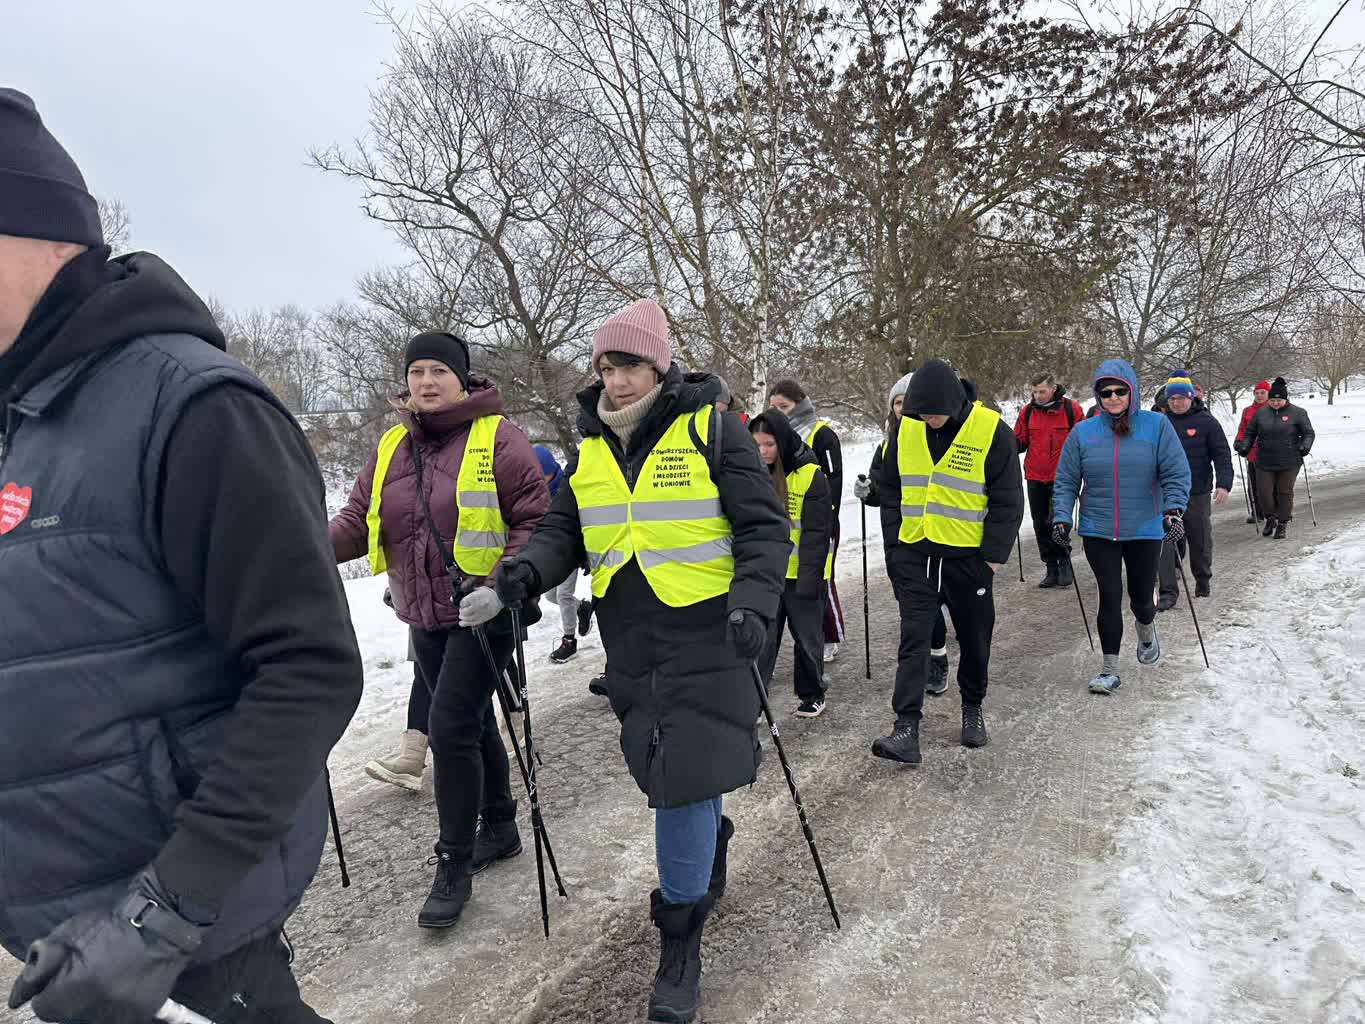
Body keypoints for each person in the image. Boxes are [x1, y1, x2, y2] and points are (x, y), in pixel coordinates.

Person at [0, 88, 363, 1023]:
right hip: (60, 932)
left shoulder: (196, 407)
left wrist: (164, 913)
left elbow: (309, 668)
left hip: (172, 931)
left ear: (45, 236)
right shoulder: (20, 421)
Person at [486, 299, 788, 1024]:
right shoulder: (590, 448)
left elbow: (763, 527)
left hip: (710, 633)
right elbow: (562, 531)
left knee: (677, 785)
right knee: (672, 772)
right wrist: (524, 572)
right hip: (631, 640)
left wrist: (753, 603)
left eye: (628, 365)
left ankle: (679, 947)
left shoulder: (711, 428)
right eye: (604, 367)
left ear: (659, 365)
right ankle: (709, 841)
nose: (615, 380)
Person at [329, 330, 549, 927]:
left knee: (448, 728)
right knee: (470, 721)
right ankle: (499, 825)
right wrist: (304, 549)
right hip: (422, 610)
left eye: (438, 371)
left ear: (462, 379)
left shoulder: (498, 437)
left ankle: (453, 861)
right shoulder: (393, 444)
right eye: (417, 372)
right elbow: (358, 519)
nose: (426, 382)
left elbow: (535, 519)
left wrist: (502, 583)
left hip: (485, 612)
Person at [866, 359, 1024, 763]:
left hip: (968, 561)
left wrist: (992, 560)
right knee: (914, 641)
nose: (928, 420)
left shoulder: (991, 430)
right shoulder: (907, 429)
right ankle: (906, 728)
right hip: (916, 555)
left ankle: (972, 709)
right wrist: (895, 549)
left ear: (955, 402)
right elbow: (892, 490)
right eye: (921, 413)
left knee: (974, 639)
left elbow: (1008, 500)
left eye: (935, 413)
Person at [1050, 359, 1191, 695]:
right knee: (1109, 597)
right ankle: (1109, 668)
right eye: (1105, 392)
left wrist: (1174, 510)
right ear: (1098, 396)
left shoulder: (1156, 426)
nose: (1112, 397)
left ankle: (1146, 627)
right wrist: (1061, 517)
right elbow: (1066, 480)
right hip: (1098, 529)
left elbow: (1175, 472)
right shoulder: (1084, 432)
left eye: (1119, 391)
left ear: (1132, 392)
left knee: (1140, 597)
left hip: (1144, 527)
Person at [857, 371, 952, 695]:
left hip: (929, 535)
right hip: (895, 536)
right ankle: (923, 660)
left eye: (909, 401)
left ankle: (937, 658)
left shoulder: (936, 441)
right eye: (898, 402)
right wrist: (867, 491)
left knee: (928, 602)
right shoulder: (886, 446)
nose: (903, 407)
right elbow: (881, 490)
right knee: (908, 602)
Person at [750, 408, 834, 717]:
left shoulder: (810, 475)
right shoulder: (750, 475)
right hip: (767, 576)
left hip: (803, 574)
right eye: (756, 444)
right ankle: (754, 702)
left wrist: (811, 581)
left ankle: (812, 692)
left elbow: (816, 534)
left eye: (769, 444)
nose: (763, 451)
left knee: (807, 638)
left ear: (782, 442)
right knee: (762, 642)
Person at [767, 379, 845, 662]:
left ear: (799, 405)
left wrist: (828, 518)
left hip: (818, 521)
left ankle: (830, 635)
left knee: (821, 580)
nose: (777, 412)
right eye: (773, 407)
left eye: (783, 406)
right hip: (785, 521)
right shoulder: (771, 438)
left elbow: (833, 479)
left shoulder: (822, 435)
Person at [1156, 371, 1233, 609]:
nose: (1176, 403)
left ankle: (1202, 578)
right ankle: (1168, 590)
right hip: (1165, 491)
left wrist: (1224, 484)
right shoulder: (1160, 423)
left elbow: (1222, 454)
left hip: (1196, 490)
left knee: (1199, 537)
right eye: (1172, 399)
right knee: (1164, 537)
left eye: (1181, 398)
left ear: (1191, 397)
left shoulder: (1207, 422)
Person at [1012, 372, 1085, 588]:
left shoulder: (1071, 410)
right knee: (1040, 524)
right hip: (1035, 476)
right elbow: (1019, 441)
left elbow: (1084, 440)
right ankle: (1050, 567)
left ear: (1053, 389)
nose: (1037, 396)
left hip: (1062, 478)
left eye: (1041, 391)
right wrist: (1005, 445)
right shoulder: (1027, 412)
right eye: (1034, 392)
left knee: (1057, 522)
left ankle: (1064, 562)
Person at [364, 589, 432, 791]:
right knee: (424, 672)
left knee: (484, 669)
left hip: (469, 596)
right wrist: (398, 586)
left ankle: (512, 723)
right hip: (425, 600)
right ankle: (412, 758)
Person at [1236, 376, 1314, 540]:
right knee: (1264, 492)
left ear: (1286, 399)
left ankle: (1282, 523)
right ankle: (1270, 518)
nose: (1275, 403)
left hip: (1289, 459)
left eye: (1279, 400)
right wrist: (1244, 446)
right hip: (1264, 459)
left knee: (1284, 492)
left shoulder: (1298, 413)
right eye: (1272, 400)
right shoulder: (1261, 414)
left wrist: (1305, 446)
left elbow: (1308, 433)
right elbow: (1250, 433)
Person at [535, 444, 586, 663]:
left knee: (563, 595)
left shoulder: (567, 485)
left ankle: (569, 641)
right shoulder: (538, 491)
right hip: (553, 550)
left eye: (541, 474)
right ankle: (582, 607)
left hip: (570, 547)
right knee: (551, 596)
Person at [1235, 380, 1271, 523]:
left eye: (1263, 393)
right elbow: (1242, 429)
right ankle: (1257, 512)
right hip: (1252, 454)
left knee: (1268, 486)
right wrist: (1239, 441)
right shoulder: (1248, 411)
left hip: (1270, 454)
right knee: (1253, 485)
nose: (1259, 396)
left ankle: (1272, 512)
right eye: (1257, 393)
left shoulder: (1274, 409)